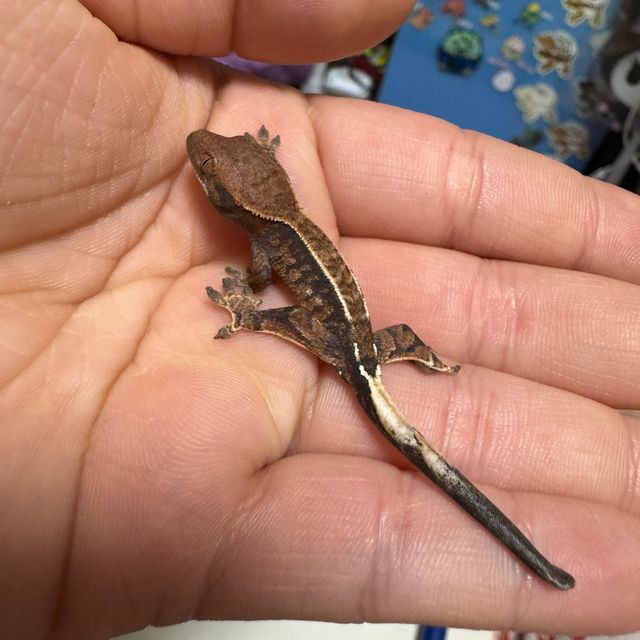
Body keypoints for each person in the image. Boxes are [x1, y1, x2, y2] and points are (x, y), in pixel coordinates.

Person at [1, 1, 639, 638]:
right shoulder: (283, 217)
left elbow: (258, 278)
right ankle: (427, 359)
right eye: (215, 164)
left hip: (340, 344)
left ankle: (280, 331)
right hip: (364, 339)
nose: (204, 157)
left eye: (214, 172)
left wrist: (248, 309)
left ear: (236, 204)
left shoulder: (266, 241)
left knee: (282, 322)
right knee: (393, 348)